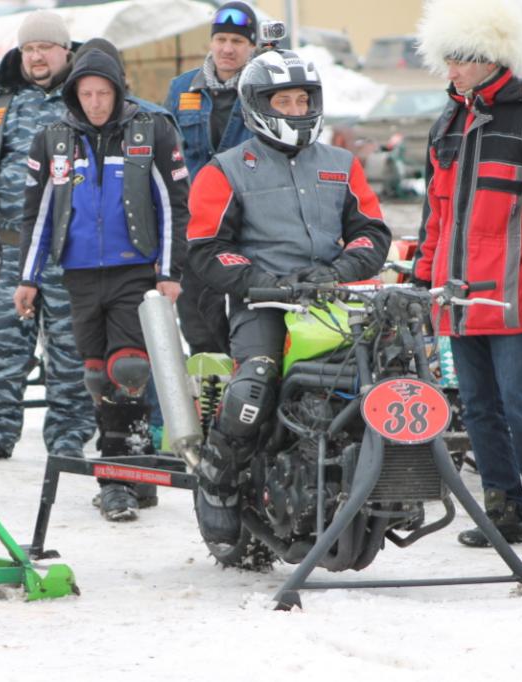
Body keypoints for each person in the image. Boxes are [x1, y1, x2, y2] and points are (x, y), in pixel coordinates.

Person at [186, 48, 390, 543]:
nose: (297, 110)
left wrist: (339, 270)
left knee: (388, 374)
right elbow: (207, 248)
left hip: (335, 301)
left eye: (303, 100)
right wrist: (267, 282)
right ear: (258, 105)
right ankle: (219, 479)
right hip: (265, 304)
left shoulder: (342, 163)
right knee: (254, 384)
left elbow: (371, 232)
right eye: (284, 101)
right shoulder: (225, 169)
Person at [412, 0, 522, 549]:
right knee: (478, 409)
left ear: (488, 58)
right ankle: (504, 511)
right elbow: (435, 213)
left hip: (511, 294)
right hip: (456, 296)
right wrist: (422, 279)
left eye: (458, 59)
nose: (450, 70)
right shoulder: (448, 121)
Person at [15, 49, 189, 521]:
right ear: (74, 94)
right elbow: (37, 215)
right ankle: (138, 471)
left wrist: (169, 271)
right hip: (79, 276)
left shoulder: (151, 131)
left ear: (118, 92)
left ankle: (117, 483)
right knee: (97, 376)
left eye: (103, 93)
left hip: (136, 271)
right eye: (86, 94)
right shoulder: (52, 140)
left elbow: (174, 205)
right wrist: (28, 277)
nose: (95, 103)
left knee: (128, 370)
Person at [0, 10, 95, 463]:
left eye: (45, 48)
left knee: (73, 349)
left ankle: (70, 433)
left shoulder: (89, 97)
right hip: (11, 248)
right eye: (29, 49)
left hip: (73, 251)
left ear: (65, 52)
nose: (36, 57)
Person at [164, 2, 259, 357]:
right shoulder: (181, 89)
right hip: (196, 229)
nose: (227, 49)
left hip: (248, 227)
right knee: (199, 326)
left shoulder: (263, 87)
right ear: (211, 42)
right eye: (221, 39)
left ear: (252, 46)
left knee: (247, 325)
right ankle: (209, 390)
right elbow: (165, 155)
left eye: (237, 40)